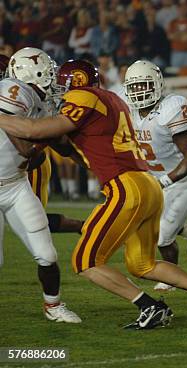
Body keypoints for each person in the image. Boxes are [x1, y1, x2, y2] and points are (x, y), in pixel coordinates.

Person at [0, 59, 187, 329]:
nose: (58, 91)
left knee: (85, 261)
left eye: (62, 85)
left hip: (126, 189)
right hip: (147, 184)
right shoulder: (113, 99)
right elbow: (68, 147)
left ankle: (150, 307)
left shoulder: (83, 97)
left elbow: (31, 131)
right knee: (142, 265)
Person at [0, 47, 81, 323]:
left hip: (15, 184)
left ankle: (53, 306)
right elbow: (22, 144)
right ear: (29, 70)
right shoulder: (13, 89)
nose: (53, 76)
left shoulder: (42, 100)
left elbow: (56, 144)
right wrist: (44, 142)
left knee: (46, 254)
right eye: (47, 69)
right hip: (9, 180)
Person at [125, 60, 187, 292]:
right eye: (134, 87)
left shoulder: (172, 106)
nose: (139, 92)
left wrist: (164, 181)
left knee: (162, 236)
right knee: (144, 222)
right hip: (156, 176)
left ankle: (171, 278)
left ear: (157, 84)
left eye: (144, 85)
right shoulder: (129, 111)